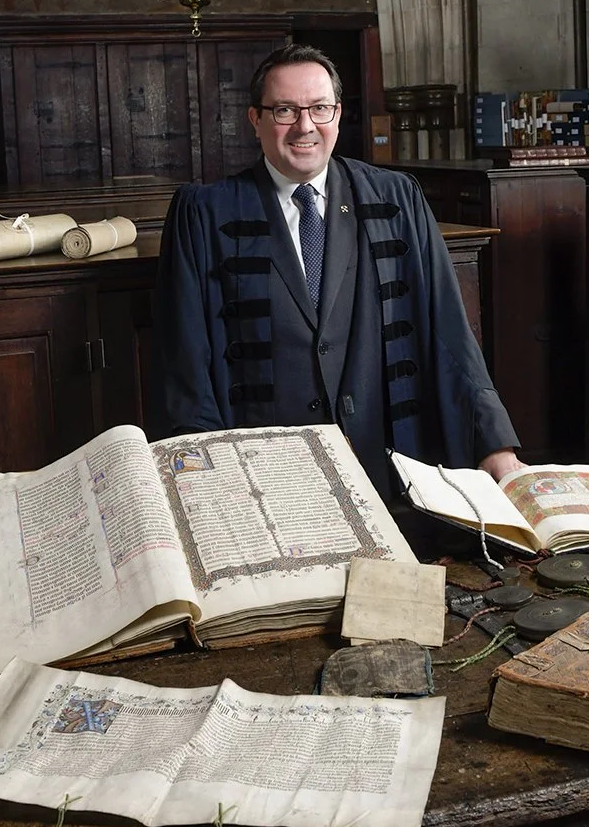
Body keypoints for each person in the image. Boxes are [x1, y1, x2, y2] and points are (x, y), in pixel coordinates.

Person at [150, 43, 521, 499]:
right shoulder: (206, 214)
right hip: (265, 474)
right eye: (285, 110)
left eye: (319, 108)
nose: (305, 126)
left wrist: (494, 444)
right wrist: (202, 478)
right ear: (255, 119)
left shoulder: (395, 199)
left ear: (338, 114)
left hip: (385, 468)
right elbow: (186, 363)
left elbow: (449, 331)